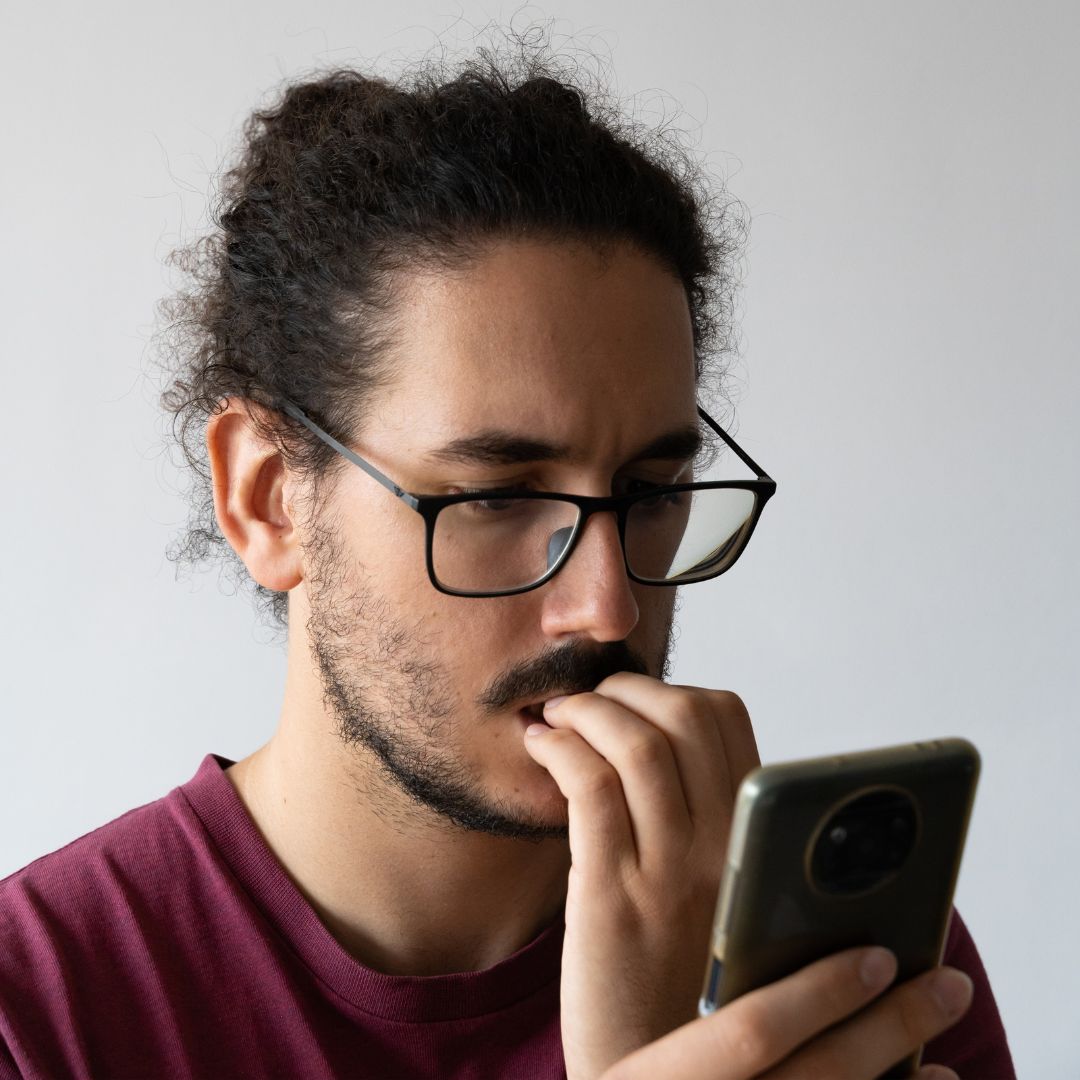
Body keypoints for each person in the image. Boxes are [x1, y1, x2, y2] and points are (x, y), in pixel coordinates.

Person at [0, 45, 1014, 1080]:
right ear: (266, 498)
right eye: (495, 496)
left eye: (652, 492)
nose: (608, 606)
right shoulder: (39, 1009)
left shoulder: (838, 963)